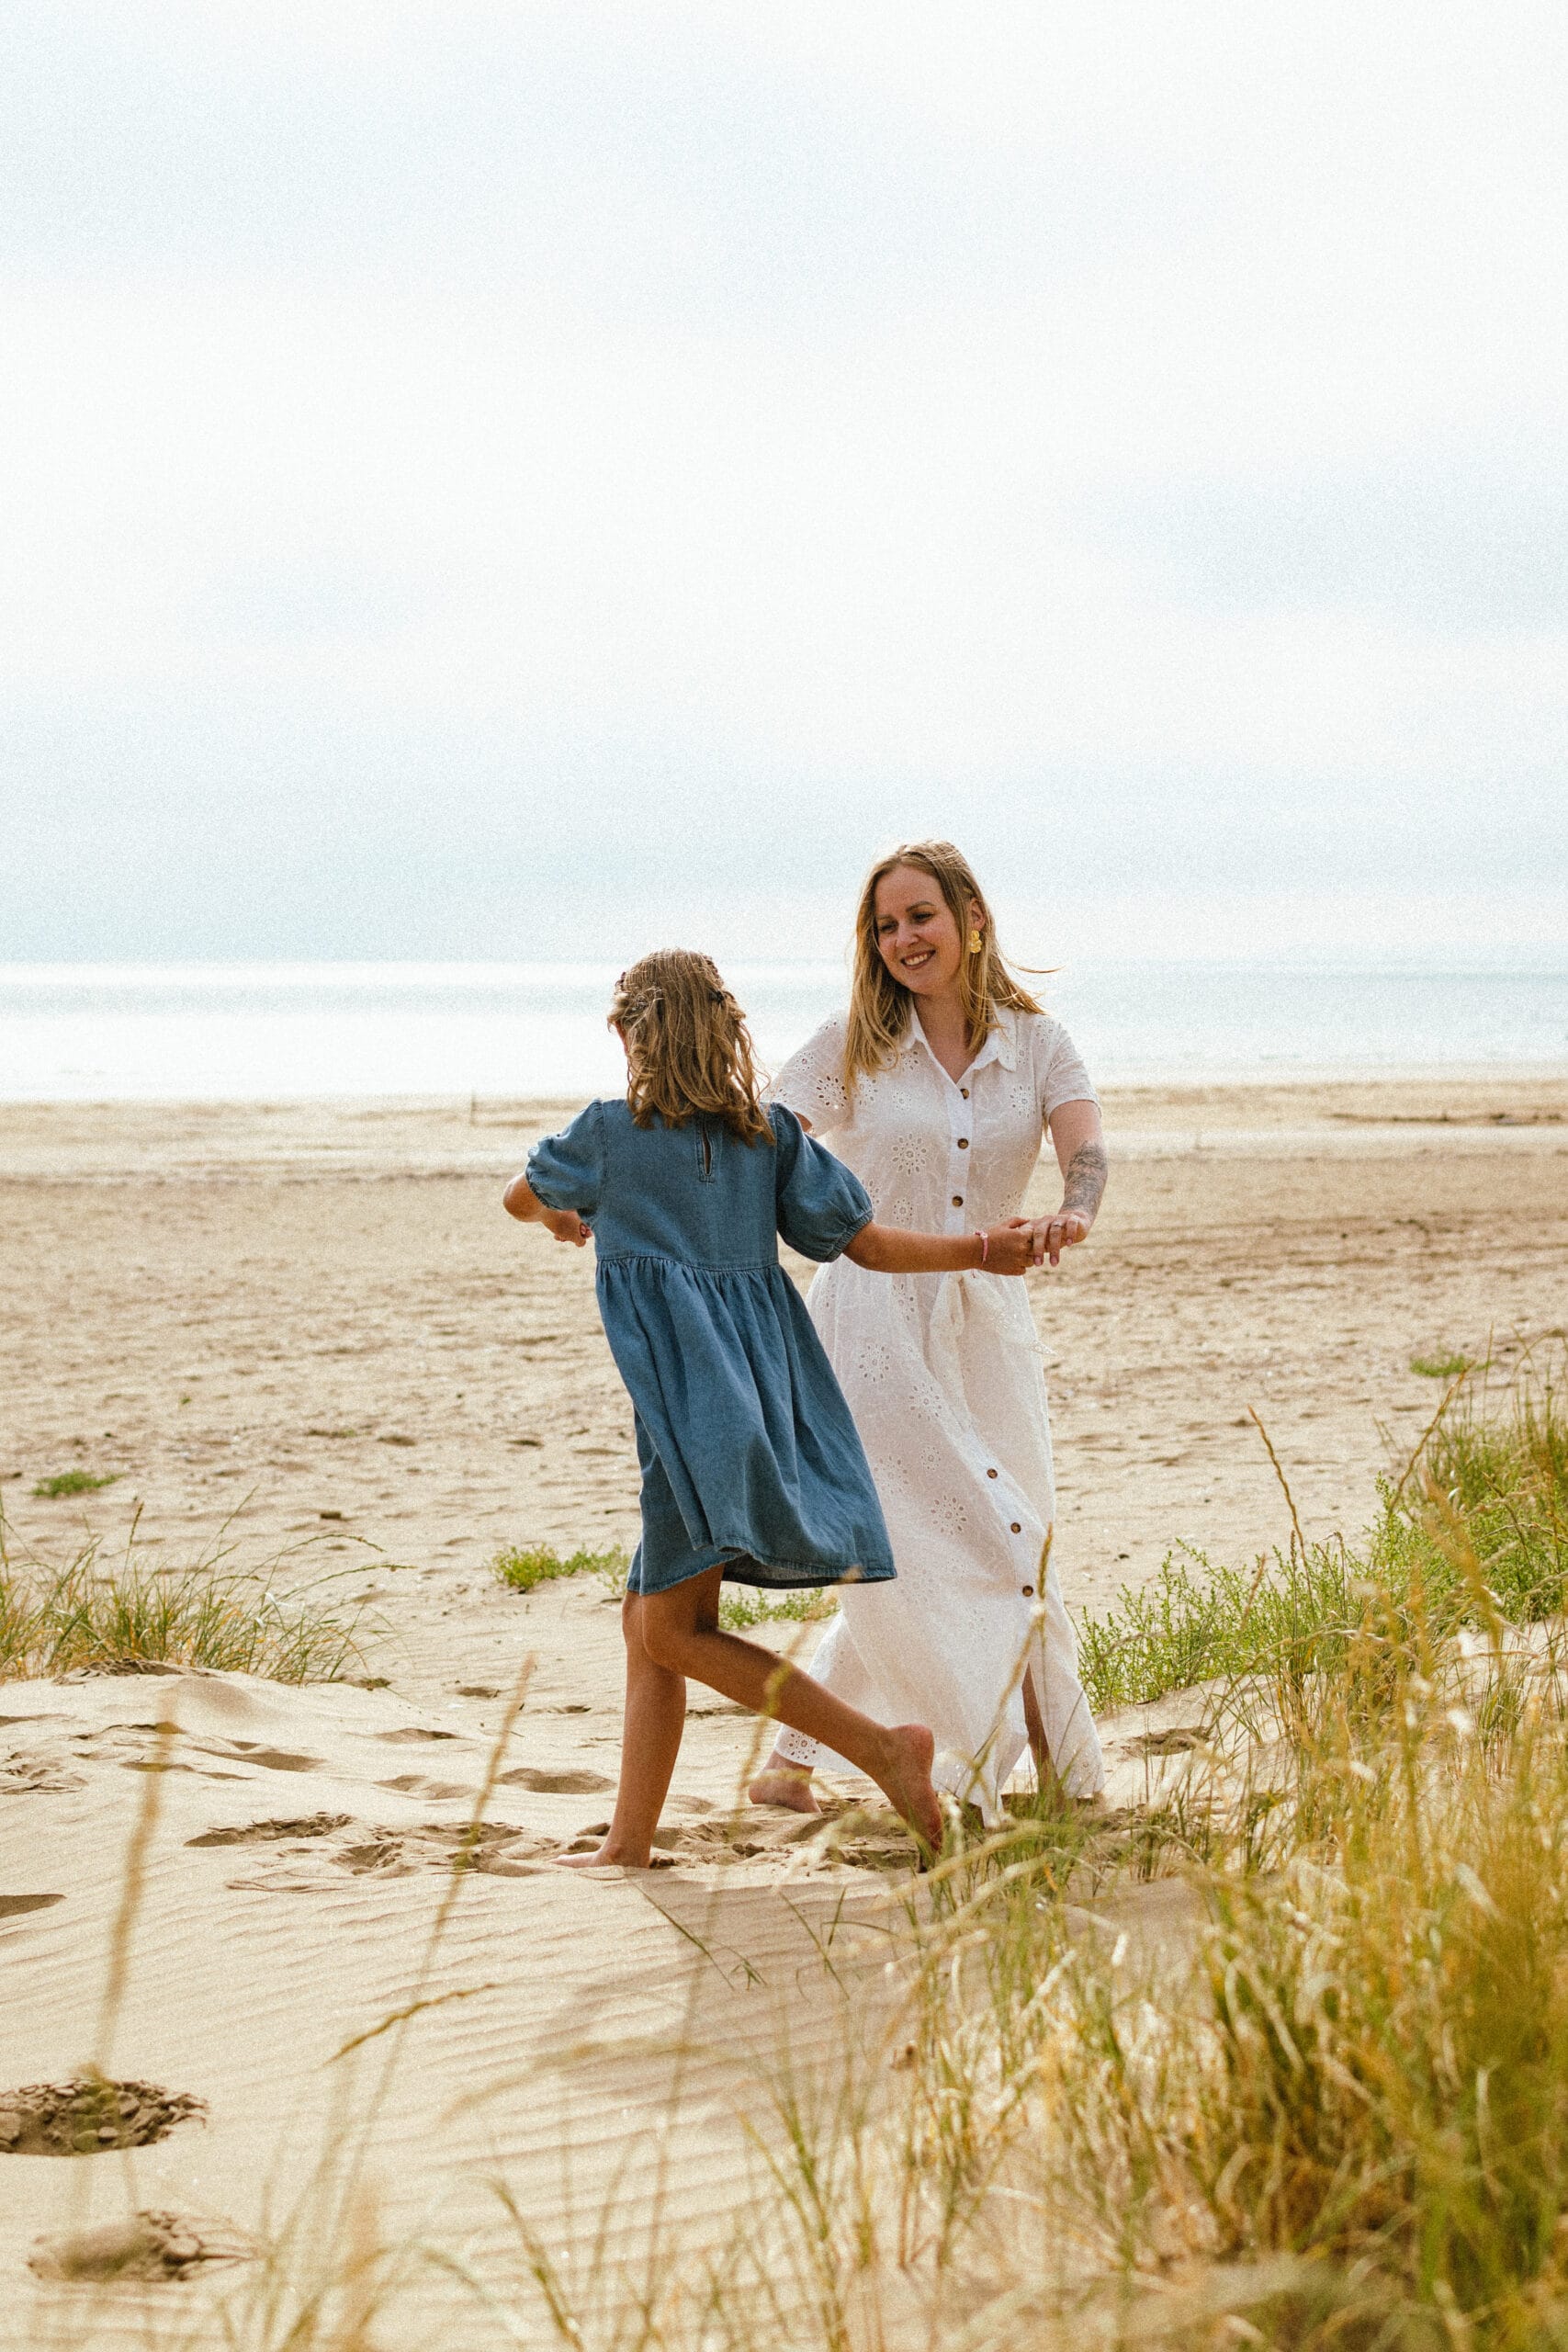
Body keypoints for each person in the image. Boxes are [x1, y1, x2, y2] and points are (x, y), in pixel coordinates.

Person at [502, 948, 1040, 1868]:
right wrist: (979, 1247)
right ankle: (629, 1842)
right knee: (650, 1623)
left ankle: (881, 1749)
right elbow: (865, 1244)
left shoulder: (606, 1136)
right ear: (726, 1029)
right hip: (761, 1403)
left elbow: (521, 1197)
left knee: (670, 1627)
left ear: (624, 1032)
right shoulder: (767, 1139)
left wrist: (569, 1218)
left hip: (683, 1411)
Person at [749, 842, 1109, 1825]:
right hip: (870, 1323)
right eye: (885, 924)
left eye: (920, 917)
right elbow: (760, 1147)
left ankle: (789, 1752)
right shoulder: (851, 1043)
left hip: (989, 1324)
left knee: (981, 1533)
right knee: (959, 1534)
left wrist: (1072, 1213)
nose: (902, 938)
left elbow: (1087, 1154)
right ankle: (1055, 1768)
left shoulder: (1038, 1045)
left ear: (971, 919)